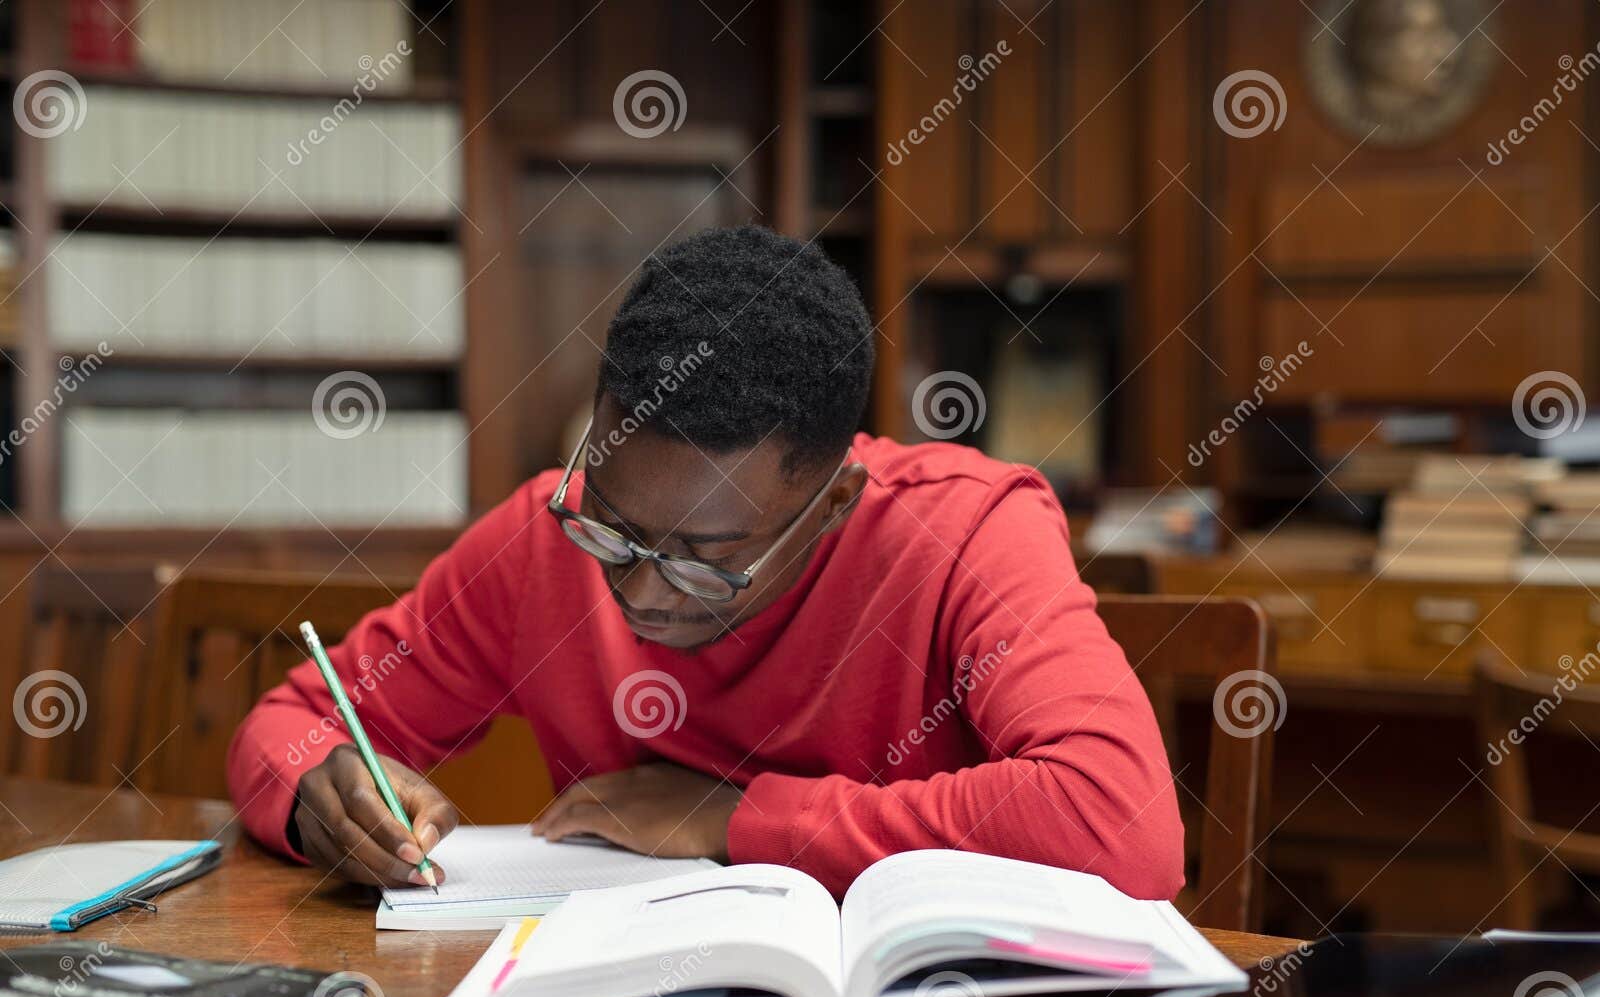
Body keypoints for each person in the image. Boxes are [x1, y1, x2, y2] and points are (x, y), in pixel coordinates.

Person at [227, 224, 1183, 900]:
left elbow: (1120, 821)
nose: (639, 590)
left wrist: (737, 820)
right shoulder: (543, 541)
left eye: (706, 561)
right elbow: (292, 722)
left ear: (834, 503)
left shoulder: (966, 530)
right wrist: (319, 789)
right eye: (611, 526)